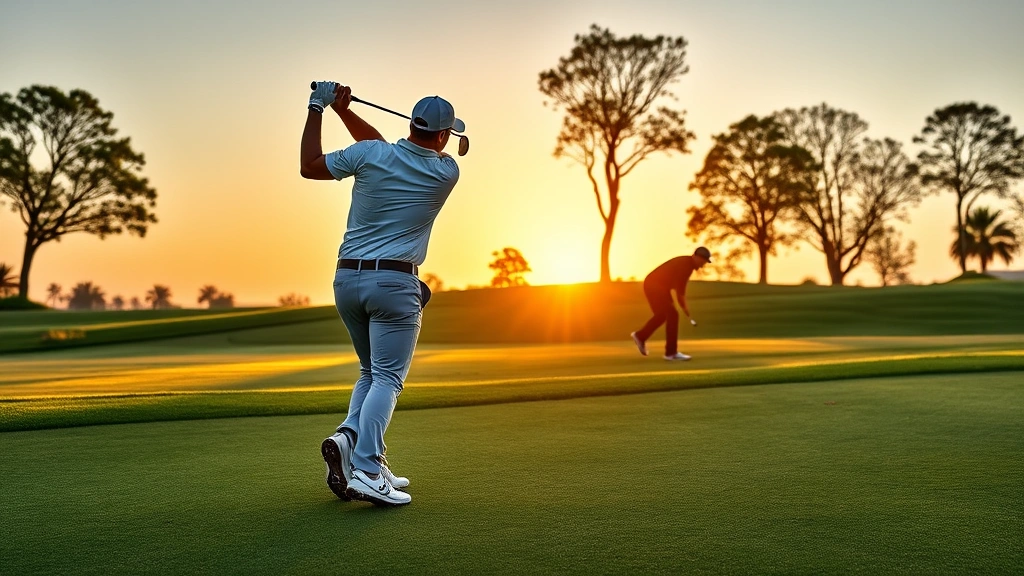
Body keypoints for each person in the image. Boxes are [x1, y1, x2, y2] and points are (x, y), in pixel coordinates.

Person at [299, 82, 464, 506]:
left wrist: (323, 108)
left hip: (345, 281)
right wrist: (343, 110)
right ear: (444, 136)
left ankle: (352, 446)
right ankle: (368, 470)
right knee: (388, 378)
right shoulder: (446, 172)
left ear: (411, 123)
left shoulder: (371, 155)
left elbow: (311, 165)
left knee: (370, 373)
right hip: (394, 284)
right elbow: (382, 148)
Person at [630, 247, 711, 361]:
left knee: (663, 315)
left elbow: (678, 291)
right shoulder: (686, 266)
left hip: (657, 285)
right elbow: (680, 294)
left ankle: (641, 336)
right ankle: (671, 353)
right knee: (673, 314)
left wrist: (683, 307)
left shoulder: (687, 264)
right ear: (696, 257)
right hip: (654, 285)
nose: (703, 265)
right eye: (702, 261)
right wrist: (686, 309)